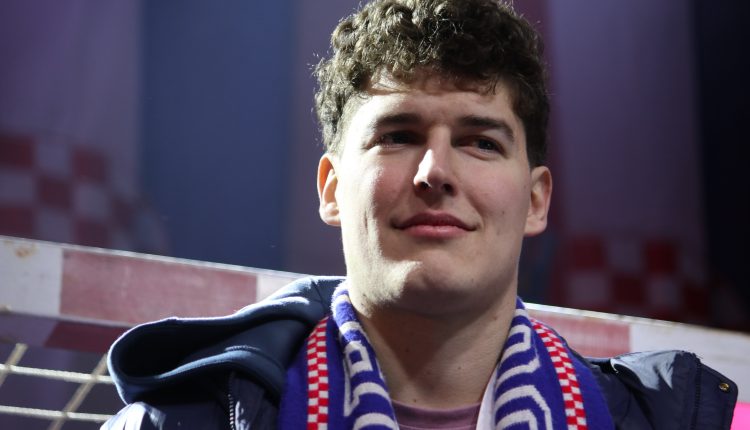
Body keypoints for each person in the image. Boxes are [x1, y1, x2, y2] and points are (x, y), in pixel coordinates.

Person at [103, 0, 737, 429]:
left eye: (480, 142)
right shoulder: (177, 421)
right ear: (332, 189)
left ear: (536, 200)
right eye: (398, 136)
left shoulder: (680, 419)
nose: (435, 172)